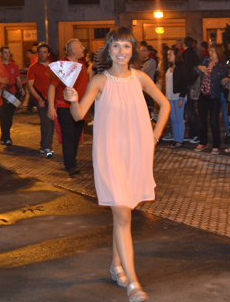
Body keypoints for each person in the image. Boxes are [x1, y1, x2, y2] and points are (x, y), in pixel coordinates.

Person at [64, 27, 169, 302]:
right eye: (116, 46)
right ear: (108, 50)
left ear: (132, 50)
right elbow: (79, 115)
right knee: (123, 215)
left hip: (136, 154)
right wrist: (73, 101)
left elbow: (164, 104)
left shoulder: (140, 78)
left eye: (126, 46)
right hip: (109, 155)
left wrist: (154, 136)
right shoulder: (99, 80)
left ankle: (115, 265)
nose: (121, 51)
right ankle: (133, 283)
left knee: (122, 213)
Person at [47, 38, 89, 177]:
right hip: (64, 106)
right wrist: (51, 107)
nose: (84, 48)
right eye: (81, 46)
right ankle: (70, 165)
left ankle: (72, 161)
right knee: (68, 136)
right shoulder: (62, 65)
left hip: (80, 107)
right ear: (73, 50)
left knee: (76, 135)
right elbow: (52, 86)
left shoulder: (82, 64)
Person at [194, 44, 229, 154]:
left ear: (218, 52)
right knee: (201, 120)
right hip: (203, 95)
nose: (210, 53)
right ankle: (203, 142)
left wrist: (223, 81)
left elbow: (223, 80)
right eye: (210, 51)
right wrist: (199, 68)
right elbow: (194, 70)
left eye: (213, 51)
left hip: (214, 96)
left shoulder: (222, 65)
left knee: (214, 121)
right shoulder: (205, 60)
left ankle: (216, 145)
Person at [28, 43, 55, 157]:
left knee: (52, 124)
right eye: (40, 52)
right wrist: (38, 98)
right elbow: (30, 85)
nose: (42, 54)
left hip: (53, 99)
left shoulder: (54, 66)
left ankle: (44, 145)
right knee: (45, 123)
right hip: (41, 100)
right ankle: (46, 147)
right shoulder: (33, 67)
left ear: (48, 54)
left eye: (44, 52)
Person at [0, 46, 25, 146]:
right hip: (1, 94)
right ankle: (5, 137)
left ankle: (5, 136)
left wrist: (21, 88)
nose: (7, 54)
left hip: (12, 93)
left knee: (9, 117)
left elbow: (18, 79)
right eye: (5, 52)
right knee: (3, 116)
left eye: (8, 52)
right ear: (1, 54)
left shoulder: (14, 65)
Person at [165, 48, 188, 149]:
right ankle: (175, 139)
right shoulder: (170, 67)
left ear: (176, 55)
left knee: (179, 118)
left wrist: (181, 97)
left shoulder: (181, 67)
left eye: (170, 54)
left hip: (178, 96)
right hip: (169, 96)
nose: (168, 56)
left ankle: (180, 140)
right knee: (173, 118)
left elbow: (184, 82)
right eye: (168, 54)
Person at [182, 37, 201, 144]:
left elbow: (187, 70)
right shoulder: (193, 53)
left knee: (190, 110)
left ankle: (196, 133)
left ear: (184, 44)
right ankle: (192, 133)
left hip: (189, 85)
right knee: (190, 110)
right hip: (192, 84)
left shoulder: (187, 54)